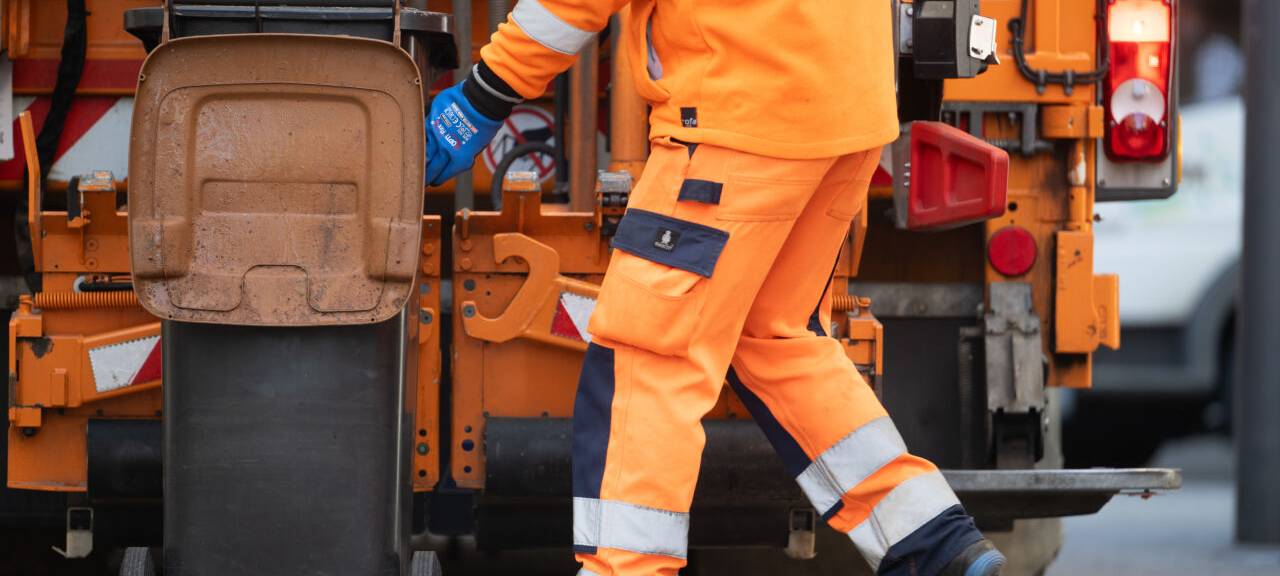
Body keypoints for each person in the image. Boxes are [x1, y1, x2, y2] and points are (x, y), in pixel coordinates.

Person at [425, 0, 1006, 574]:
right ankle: (933, 544)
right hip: (850, 116)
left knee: (650, 353)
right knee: (772, 336)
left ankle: (627, 568)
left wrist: (483, 96)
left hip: (740, 122)